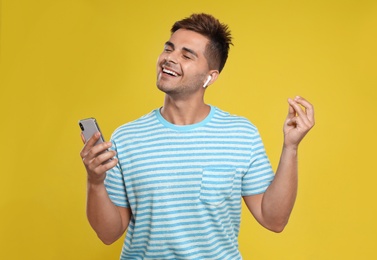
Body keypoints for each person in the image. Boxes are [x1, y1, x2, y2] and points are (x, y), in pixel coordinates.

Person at [80, 13, 315, 260]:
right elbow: (108, 234)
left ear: (210, 77)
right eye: (169, 48)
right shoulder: (126, 137)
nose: (169, 58)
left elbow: (273, 220)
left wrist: (291, 146)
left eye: (186, 55)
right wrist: (95, 182)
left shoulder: (240, 134)